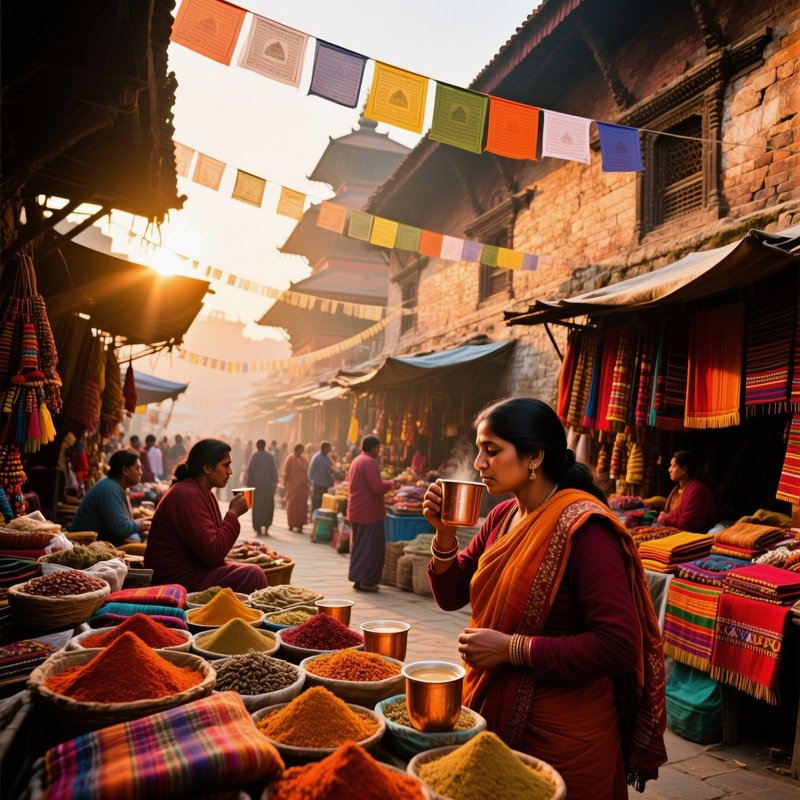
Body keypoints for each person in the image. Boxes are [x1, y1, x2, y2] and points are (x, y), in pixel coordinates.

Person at [422, 397, 667, 799]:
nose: (479, 463)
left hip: (563, 738)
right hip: (494, 720)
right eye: (479, 449)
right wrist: (444, 533)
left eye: (492, 450)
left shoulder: (586, 529)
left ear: (534, 456)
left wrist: (511, 649)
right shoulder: (503, 517)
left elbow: (619, 645)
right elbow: (452, 595)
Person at [144, 439, 267, 593]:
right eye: (226, 465)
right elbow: (212, 553)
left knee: (252, 570)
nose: (230, 471)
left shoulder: (205, 493)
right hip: (175, 579)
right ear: (208, 468)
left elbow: (212, 546)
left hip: (196, 569)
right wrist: (232, 515)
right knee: (252, 575)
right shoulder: (185, 495)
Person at [70, 451, 151, 545]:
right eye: (137, 468)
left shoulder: (116, 486)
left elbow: (124, 522)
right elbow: (120, 528)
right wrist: (140, 525)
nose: (141, 473)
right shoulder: (110, 488)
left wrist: (144, 522)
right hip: (85, 545)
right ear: (125, 470)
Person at [346, 435, 393, 592]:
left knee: (359, 547)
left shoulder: (357, 460)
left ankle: (358, 578)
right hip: (369, 513)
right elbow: (377, 487)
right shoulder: (369, 462)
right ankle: (367, 581)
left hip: (358, 510)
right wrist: (392, 483)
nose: (379, 451)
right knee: (371, 549)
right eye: (378, 448)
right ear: (373, 448)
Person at [656, 450, 717, 533]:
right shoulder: (677, 489)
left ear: (684, 470)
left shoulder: (698, 490)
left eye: (673, 466)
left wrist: (665, 518)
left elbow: (688, 525)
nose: (669, 469)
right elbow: (672, 515)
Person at [246, 439, 278, 535]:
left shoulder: (254, 456)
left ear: (257, 446)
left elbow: (249, 472)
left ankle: (258, 528)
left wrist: (249, 485)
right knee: (268, 507)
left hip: (257, 486)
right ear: (265, 445)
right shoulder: (270, 456)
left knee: (257, 508)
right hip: (268, 486)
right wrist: (275, 482)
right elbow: (274, 471)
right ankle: (266, 527)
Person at [283, 443, 310, 533]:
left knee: (301, 507)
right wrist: (285, 483)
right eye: (300, 450)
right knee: (292, 506)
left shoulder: (304, 459)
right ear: (296, 450)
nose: (301, 452)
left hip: (302, 487)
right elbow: (286, 472)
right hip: (293, 486)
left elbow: (307, 471)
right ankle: (291, 524)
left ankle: (300, 525)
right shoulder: (290, 459)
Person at [308, 441, 335, 513]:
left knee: (322, 505)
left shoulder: (328, 459)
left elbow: (330, 471)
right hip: (317, 485)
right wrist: (310, 483)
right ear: (324, 448)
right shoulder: (316, 458)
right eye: (328, 448)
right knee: (316, 503)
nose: (330, 449)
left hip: (326, 486)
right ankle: (313, 518)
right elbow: (311, 472)